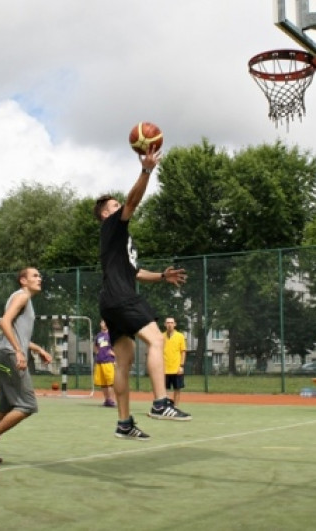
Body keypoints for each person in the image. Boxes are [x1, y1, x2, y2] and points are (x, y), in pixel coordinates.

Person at [94, 148, 191, 440]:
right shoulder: (113, 225)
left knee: (124, 361)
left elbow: (135, 273)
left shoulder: (118, 241)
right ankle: (161, 402)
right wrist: (147, 170)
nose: (119, 205)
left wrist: (161, 276)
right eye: (114, 204)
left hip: (109, 302)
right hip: (122, 297)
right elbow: (133, 201)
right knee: (156, 339)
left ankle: (124, 423)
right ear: (104, 213)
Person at [0, 267, 52, 468]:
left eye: (39, 275)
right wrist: (18, 351)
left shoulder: (23, 298)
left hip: (3, 360)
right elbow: (4, 321)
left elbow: (18, 333)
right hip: (9, 357)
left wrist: (37, 348)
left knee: (6, 405)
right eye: (35, 275)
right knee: (27, 405)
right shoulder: (22, 297)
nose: (39, 278)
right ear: (23, 280)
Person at [162, 317, 187, 408]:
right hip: (164, 369)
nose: (169, 324)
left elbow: (183, 352)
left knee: (177, 389)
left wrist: (181, 366)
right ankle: (166, 407)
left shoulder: (180, 336)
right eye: (168, 323)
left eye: (171, 323)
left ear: (175, 324)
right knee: (164, 390)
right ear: (165, 324)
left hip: (176, 369)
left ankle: (175, 407)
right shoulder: (161, 336)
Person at [94, 320, 116, 407]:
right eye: (103, 322)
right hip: (100, 361)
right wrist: (97, 352)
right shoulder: (98, 336)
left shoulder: (111, 335)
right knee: (103, 383)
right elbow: (95, 346)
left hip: (108, 361)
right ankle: (106, 400)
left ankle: (111, 400)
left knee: (110, 382)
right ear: (100, 324)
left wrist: (114, 354)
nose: (104, 324)